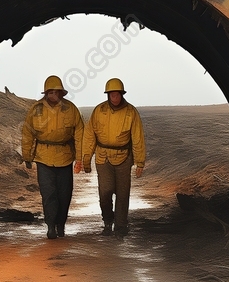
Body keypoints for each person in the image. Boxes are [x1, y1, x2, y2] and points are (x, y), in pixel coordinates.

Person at [19, 75, 86, 239]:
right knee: (48, 194)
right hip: (43, 158)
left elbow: (79, 134)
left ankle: (61, 224)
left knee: (64, 194)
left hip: (64, 158)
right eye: (50, 92)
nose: (53, 95)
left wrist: (80, 158)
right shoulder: (36, 110)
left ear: (61, 93)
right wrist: (27, 156)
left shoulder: (71, 110)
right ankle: (50, 226)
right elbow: (27, 134)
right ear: (46, 93)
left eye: (56, 92)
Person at [80, 77, 145, 237]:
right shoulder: (99, 111)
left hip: (124, 157)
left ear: (122, 94)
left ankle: (121, 226)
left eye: (117, 94)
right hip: (103, 158)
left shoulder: (131, 112)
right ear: (107, 95)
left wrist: (140, 162)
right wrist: (86, 159)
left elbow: (137, 137)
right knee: (105, 192)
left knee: (123, 194)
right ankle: (108, 219)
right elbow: (89, 135)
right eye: (111, 94)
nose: (114, 97)